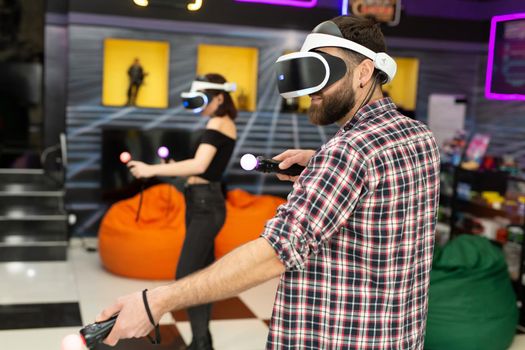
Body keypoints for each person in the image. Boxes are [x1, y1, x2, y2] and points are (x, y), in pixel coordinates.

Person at [96, 15, 440, 350]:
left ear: (364, 72)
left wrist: (158, 300)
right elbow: (378, 197)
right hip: (396, 335)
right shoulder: (419, 137)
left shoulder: (349, 152)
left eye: (324, 73)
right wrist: (321, 161)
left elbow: (277, 251)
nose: (312, 91)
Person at [125, 73, 238, 349]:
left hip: (205, 206)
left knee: (187, 275)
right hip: (200, 201)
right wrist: (169, 170)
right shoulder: (222, 123)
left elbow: (199, 166)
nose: (200, 108)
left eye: (204, 101)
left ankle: (201, 341)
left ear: (220, 97)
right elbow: (199, 170)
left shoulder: (219, 122)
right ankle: (203, 340)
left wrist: (152, 169)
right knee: (199, 275)